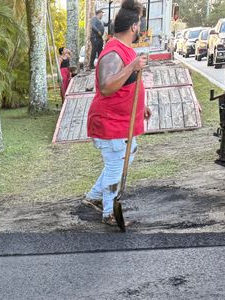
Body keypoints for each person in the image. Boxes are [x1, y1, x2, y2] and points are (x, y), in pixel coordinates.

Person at [82, 0, 151, 227]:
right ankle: (109, 213)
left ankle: (94, 197)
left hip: (121, 120)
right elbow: (106, 86)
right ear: (134, 27)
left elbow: (128, 85)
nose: (139, 28)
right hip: (108, 122)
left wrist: (142, 107)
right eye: (139, 24)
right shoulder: (113, 52)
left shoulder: (125, 50)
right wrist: (132, 67)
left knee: (128, 151)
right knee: (115, 164)